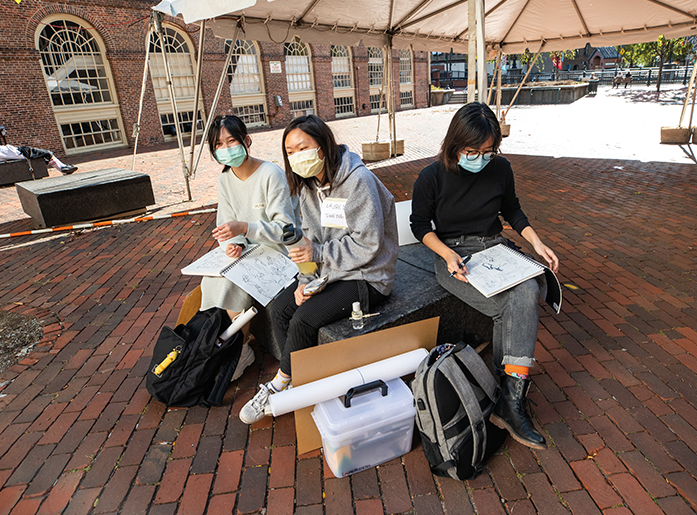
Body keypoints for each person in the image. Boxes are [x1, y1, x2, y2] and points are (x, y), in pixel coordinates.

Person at [409, 102, 559, 450]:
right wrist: (447, 255)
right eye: (472, 151)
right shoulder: (431, 177)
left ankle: (509, 395)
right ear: (454, 145)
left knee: (526, 288)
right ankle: (510, 400)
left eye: (489, 152)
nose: (481, 158)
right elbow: (420, 226)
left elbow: (512, 210)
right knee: (518, 300)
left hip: (494, 248)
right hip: (455, 256)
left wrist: (537, 243)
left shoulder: (501, 169)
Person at [239, 114, 398, 424]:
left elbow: (369, 245)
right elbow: (310, 240)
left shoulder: (358, 181)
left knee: (303, 320)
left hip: (369, 275)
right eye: (291, 151)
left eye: (304, 147)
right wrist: (305, 280)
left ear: (323, 147)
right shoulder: (309, 186)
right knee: (282, 307)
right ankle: (301, 380)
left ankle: (280, 384)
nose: (297, 156)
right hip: (332, 270)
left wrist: (318, 256)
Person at [200, 114, 300, 381]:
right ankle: (235, 345)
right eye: (218, 145)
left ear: (247, 140)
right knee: (214, 278)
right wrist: (232, 242)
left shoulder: (271, 174)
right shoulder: (225, 180)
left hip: (279, 251)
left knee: (233, 281)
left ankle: (240, 350)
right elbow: (226, 223)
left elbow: (286, 228)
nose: (225, 149)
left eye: (230, 141)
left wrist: (245, 229)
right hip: (249, 251)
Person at [0, 144, 77, 174]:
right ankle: (63, 168)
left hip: (21, 151)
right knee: (47, 153)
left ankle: (63, 168)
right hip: (23, 153)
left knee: (46, 154)